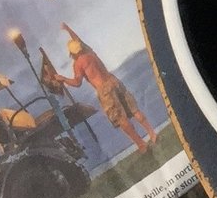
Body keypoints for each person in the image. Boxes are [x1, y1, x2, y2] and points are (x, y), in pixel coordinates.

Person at [43, 23, 157, 154]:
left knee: (120, 119)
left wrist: (62, 78)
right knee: (133, 110)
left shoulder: (78, 64)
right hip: (114, 81)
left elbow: (77, 83)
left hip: (104, 90)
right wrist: (68, 29)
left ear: (72, 53)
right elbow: (78, 39)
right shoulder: (90, 53)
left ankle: (141, 145)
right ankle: (152, 133)